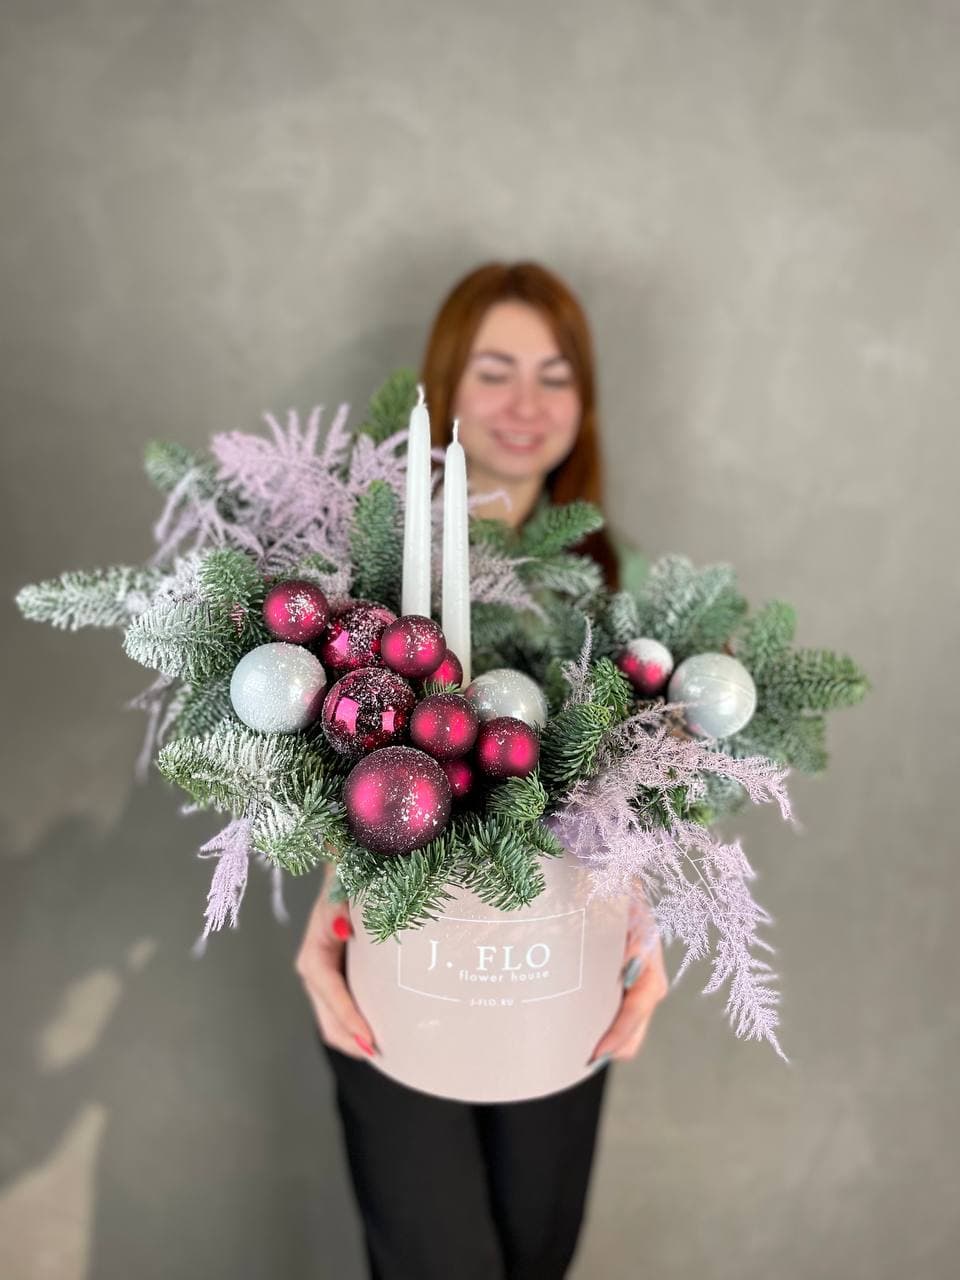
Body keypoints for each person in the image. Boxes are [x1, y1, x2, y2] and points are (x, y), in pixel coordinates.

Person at [296, 261, 669, 1280]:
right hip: (402, 959)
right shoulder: (376, 574)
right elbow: (327, 758)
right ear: (446, 385)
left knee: (536, 1249)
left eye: (555, 374)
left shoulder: (619, 585)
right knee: (436, 1255)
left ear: (585, 400)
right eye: (494, 370)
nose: (525, 403)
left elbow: (658, 788)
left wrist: (650, 922)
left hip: (559, 965)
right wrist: (330, 908)